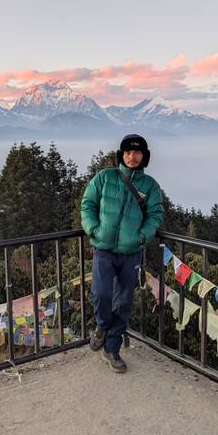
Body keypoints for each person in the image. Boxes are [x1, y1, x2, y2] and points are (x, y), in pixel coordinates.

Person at [80, 134, 164, 372]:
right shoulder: (104, 178)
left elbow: (155, 215)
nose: (132, 156)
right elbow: (88, 204)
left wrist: (141, 237)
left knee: (124, 301)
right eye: (127, 152)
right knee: (101, 293)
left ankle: (112, 349)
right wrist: (93, 230)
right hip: (104, 249)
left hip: (131, 253)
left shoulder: (150, 186)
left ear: (144, 156)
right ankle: (102, 326)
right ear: (121, 154)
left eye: (137, 152)